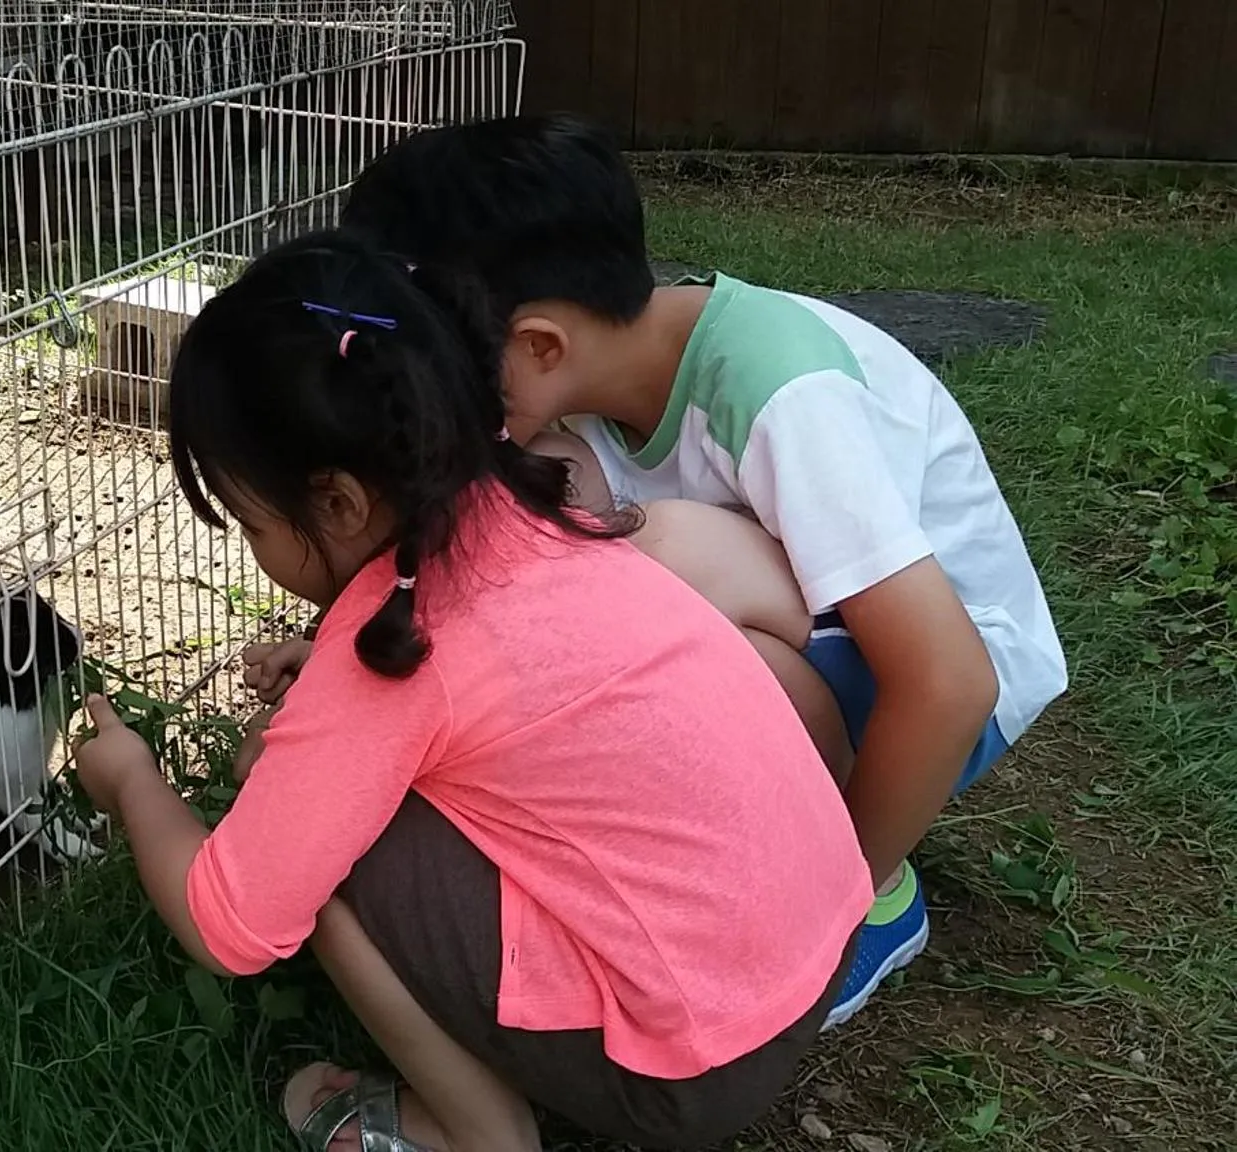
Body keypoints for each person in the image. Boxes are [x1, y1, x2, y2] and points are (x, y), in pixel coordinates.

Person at [71, 230, 872, 1151]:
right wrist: (321, 685)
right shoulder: (537, 508)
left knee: (320, 853)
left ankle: (472, 1132)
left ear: (335, 504)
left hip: (694, 1066)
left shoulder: (392, 658)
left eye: (251, 522)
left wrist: (134, 783)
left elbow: (229, 925)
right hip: (812, 954)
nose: (252, 545)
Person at [337, 113, 1068, 1028]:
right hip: (828, 633)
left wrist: (837, 893)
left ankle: (864, 898)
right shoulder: (590, 384)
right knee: (557, 530)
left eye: (430, 369)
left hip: (939, 680)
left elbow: (949, 681)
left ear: (537, 346)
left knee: (655, 555)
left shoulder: (780, 392)